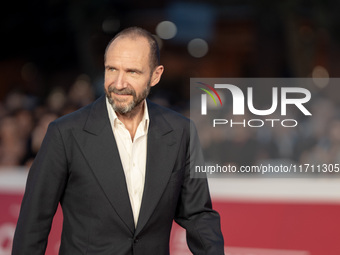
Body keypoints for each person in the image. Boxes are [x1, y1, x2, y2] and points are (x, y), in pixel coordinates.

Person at [12, 26, 224, 255]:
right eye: (112, 69)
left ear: (155, 75)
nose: (119, 83)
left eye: (132, 72)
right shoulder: (65, 133)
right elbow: (33, 224)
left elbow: (198, 215)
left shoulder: (181, 132)